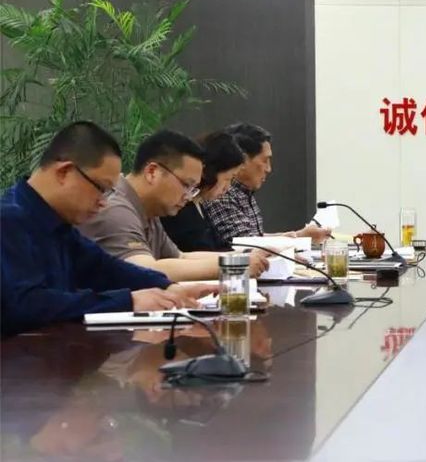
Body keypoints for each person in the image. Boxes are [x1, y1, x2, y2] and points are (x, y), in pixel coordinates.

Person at [1, 121, 206, 336]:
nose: (103, 202)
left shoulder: (59, 224)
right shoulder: (8, 220)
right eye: (101, 189)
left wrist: (168, 288)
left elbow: (104, 268)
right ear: (64, 172)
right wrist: (128, 301)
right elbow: (26, 305)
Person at [79, 129, 268, 281]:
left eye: (193, 188)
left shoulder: (149, 210)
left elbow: (180, 257)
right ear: (152, 172)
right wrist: (235, 265)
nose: (188, 196)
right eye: (186, 185)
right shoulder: (116, 209)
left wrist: (242, 258)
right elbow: (144, 269)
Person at [203, 123, 331, 245]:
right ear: (243, 160)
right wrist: (299, 238)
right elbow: (245, 245)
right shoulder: (221, 194)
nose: (268, 169)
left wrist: (300, 235)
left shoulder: (244, 191)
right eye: (265, 160)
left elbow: (255, 238)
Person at [161, 131, 246, 251]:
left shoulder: (198, 204)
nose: (227, 188)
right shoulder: (179, 207)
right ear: (210, 171)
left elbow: (221, 245)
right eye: (228, 179)